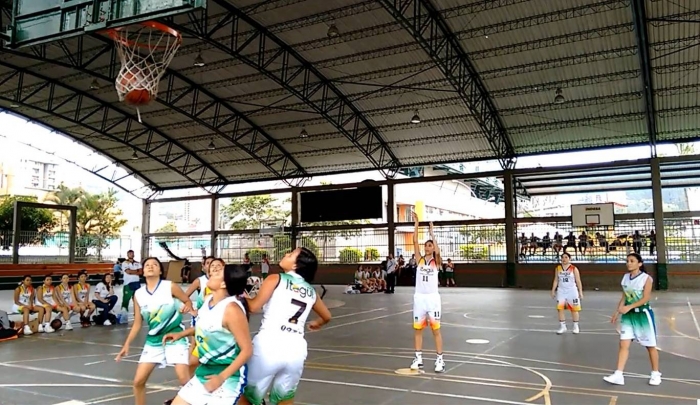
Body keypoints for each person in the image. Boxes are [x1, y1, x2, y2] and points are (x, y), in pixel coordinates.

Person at [239, 247, 332, 405]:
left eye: (290, 254)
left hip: (269, 346)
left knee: (247, 398)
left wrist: (239, 293)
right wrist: (318, 323)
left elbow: (253, 307)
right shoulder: (310, 291)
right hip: (296, 350)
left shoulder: (276, 279)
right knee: (284, 399)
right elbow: (327, 316)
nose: (285, 255)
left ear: (296, 265)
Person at [163, 264, 253, 405]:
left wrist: (221, 378)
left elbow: (247, 350)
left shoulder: (232, 310)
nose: (212, 273)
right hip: (204, 370)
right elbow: (204, 326)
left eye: (218, 273)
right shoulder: (208, 301)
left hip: (228, 374)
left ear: (224, 283)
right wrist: (181, 334)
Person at [115, 257, 194, 405]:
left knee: (184, 379)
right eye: (147, 265)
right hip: (153, 340)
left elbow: (187, 301)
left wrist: (187, 306)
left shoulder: (170, 286)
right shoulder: (138, 294)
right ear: (142, 272)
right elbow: (138, 323)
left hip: (174, 337)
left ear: (160, 270)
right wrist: (126, 345)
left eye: (155, 265)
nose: (151, 267)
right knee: (138, 381)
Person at [604, 253, 661, 386]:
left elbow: (646, 298)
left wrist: (629, 307)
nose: (628, 263)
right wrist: (617, 311)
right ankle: (618, 374)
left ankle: (655, 373)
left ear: (639, 264)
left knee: (650, 346)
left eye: (632, 261)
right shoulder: (625, 278)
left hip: (642, 314)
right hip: (628, 316)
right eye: (627, 261)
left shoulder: (646, 279)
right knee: (623, 344)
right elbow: (624, 296)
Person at [409, 212, 444, 373]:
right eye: (427, 245)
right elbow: (415, 241)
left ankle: (440, 359)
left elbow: (437, 250)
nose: (427, 247)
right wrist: (416, 223)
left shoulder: (436, 262)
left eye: (430, 245)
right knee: (418, 329)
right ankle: (418, 358)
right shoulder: (419, 260)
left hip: (432, 299)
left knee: (436, 330)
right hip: (420, 298)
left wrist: (432, 233)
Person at [550, 253, 583, 334]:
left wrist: (580, 292)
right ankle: (563, 326)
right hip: (561, 290)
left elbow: (578, 281)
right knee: (560, 309)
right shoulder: (558, 268)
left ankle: (576, 326)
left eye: (566, 257)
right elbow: (556, 280)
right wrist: (553, 290)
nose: (564, 259)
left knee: (574, 309)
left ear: (569, 259)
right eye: (562, 257)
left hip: (572, 290)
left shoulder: (574, 268)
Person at [121, 249, 143, 315]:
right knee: (126, 299)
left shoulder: (138, 263)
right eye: (130, 253)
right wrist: (137, 271)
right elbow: (128, 272)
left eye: (132, 253)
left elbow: (141, 272)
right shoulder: (124, 263)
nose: (131, 254)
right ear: (127, 255)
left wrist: (133, 271)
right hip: (128, 283)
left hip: (136, 283)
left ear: (134, 254)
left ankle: (137, 313)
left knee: (137, 299)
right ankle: (124, 313)